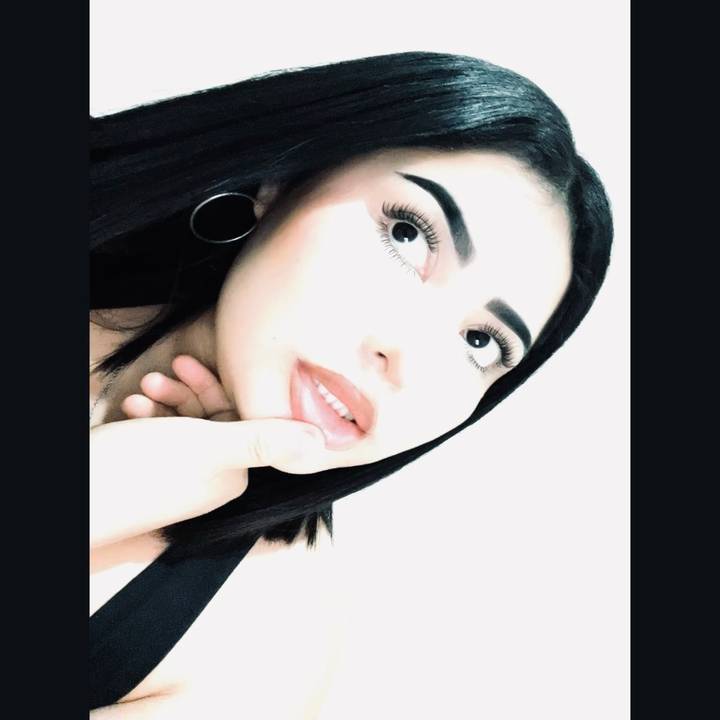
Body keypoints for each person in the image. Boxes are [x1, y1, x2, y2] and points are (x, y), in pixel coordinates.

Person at [89, 51, 613, 716]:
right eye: (409, 234)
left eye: (481, 342)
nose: (406, 357)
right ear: (284, 180)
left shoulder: (267, 649)